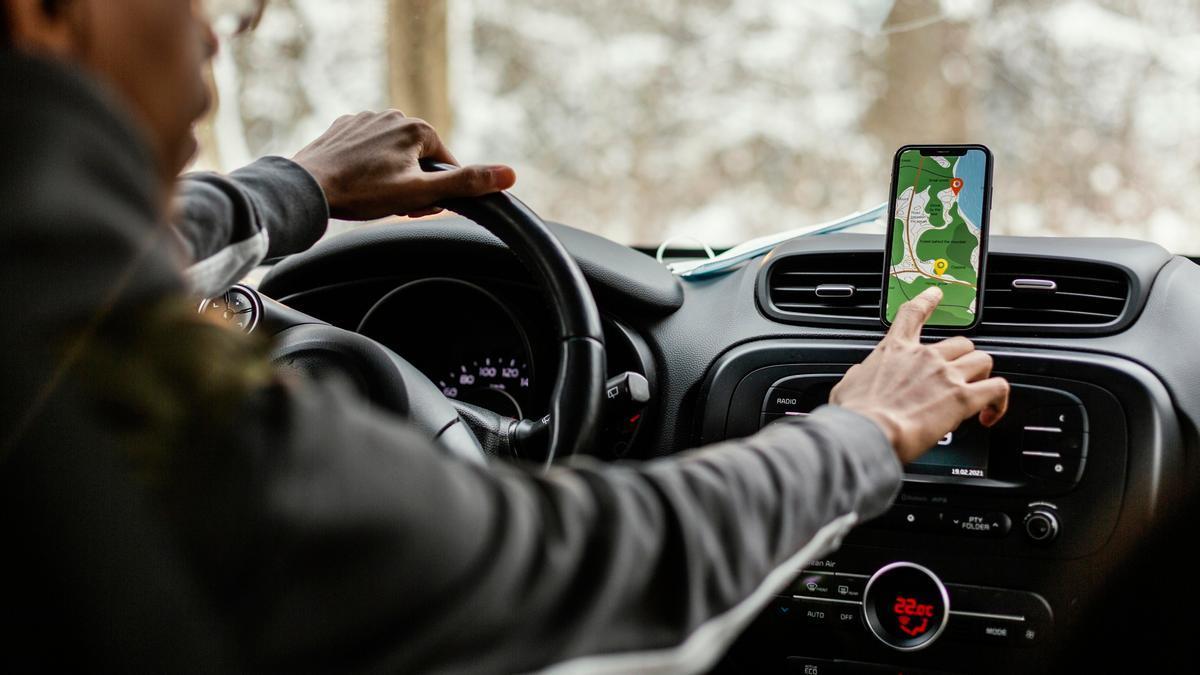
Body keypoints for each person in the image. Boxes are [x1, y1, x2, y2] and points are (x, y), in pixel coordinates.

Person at [0, 1, 1010, 673]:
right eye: (202, 4)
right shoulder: (133, 410)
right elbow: (586, 567)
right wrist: (865, 432)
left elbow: (99, 253)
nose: (214, 39)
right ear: (41, 13)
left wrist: (296, 189)